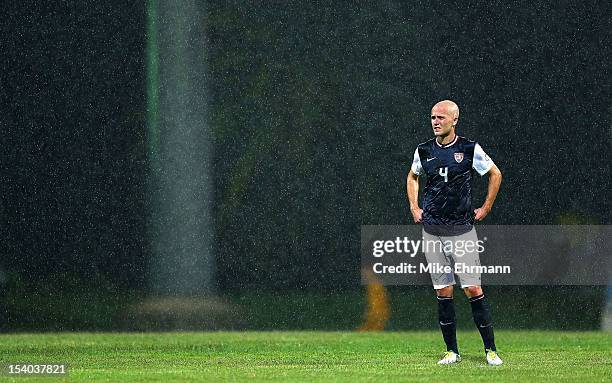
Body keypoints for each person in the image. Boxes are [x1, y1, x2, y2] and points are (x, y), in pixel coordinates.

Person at [406, 100, 503, 366]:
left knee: (472, 288)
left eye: (441, 117)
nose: (435, 121)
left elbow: (495, 174)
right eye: (432, 117)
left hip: (461, 230)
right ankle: (452, 351)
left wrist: (486, 207)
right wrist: (414, 207)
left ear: (454, 120)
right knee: (443, 291)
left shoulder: (469, 149)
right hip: (432, 230)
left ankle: (491, 350)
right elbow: (412, 176)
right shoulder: (424, 150)